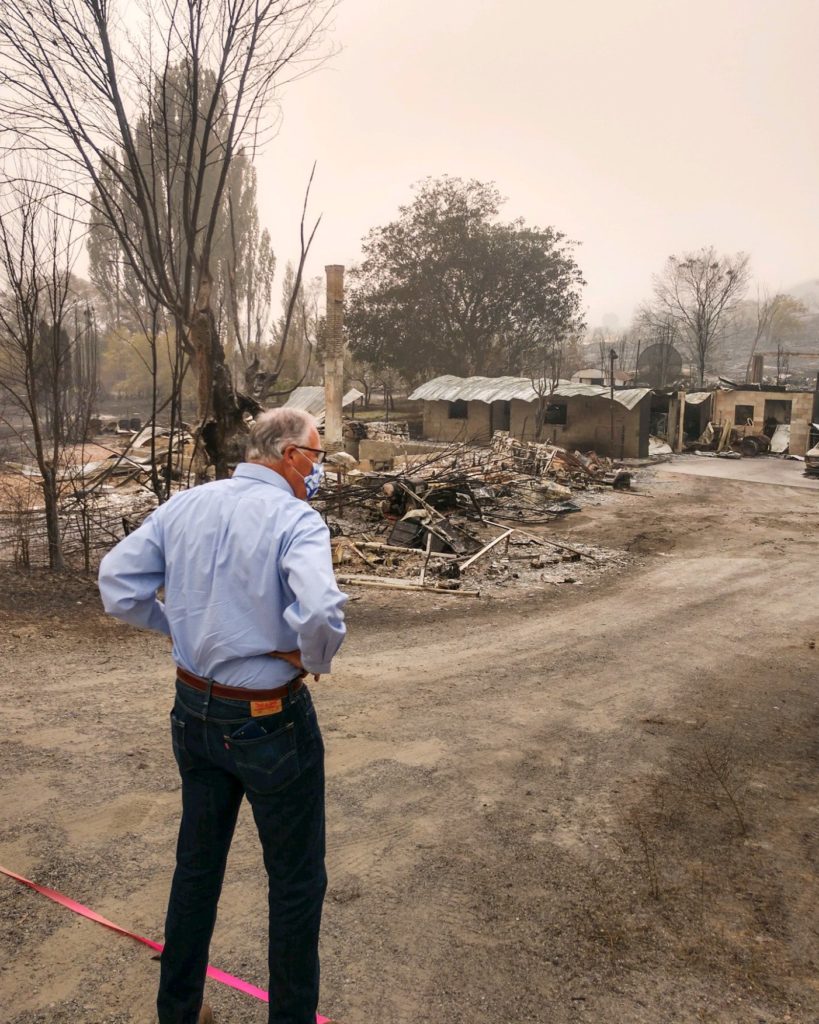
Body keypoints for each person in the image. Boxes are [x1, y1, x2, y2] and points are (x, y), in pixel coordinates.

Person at [98, 408, 347, 1024]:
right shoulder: (296, 519)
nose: (318, 472)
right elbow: (319, 614)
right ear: (290, 455)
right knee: (294, 884)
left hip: (194, 711)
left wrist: (178, 628)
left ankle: (178, 1012)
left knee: (197, 867)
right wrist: (310, 657)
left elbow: (117, 583)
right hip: (268, 721)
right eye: (316, 458)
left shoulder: (187, 505)